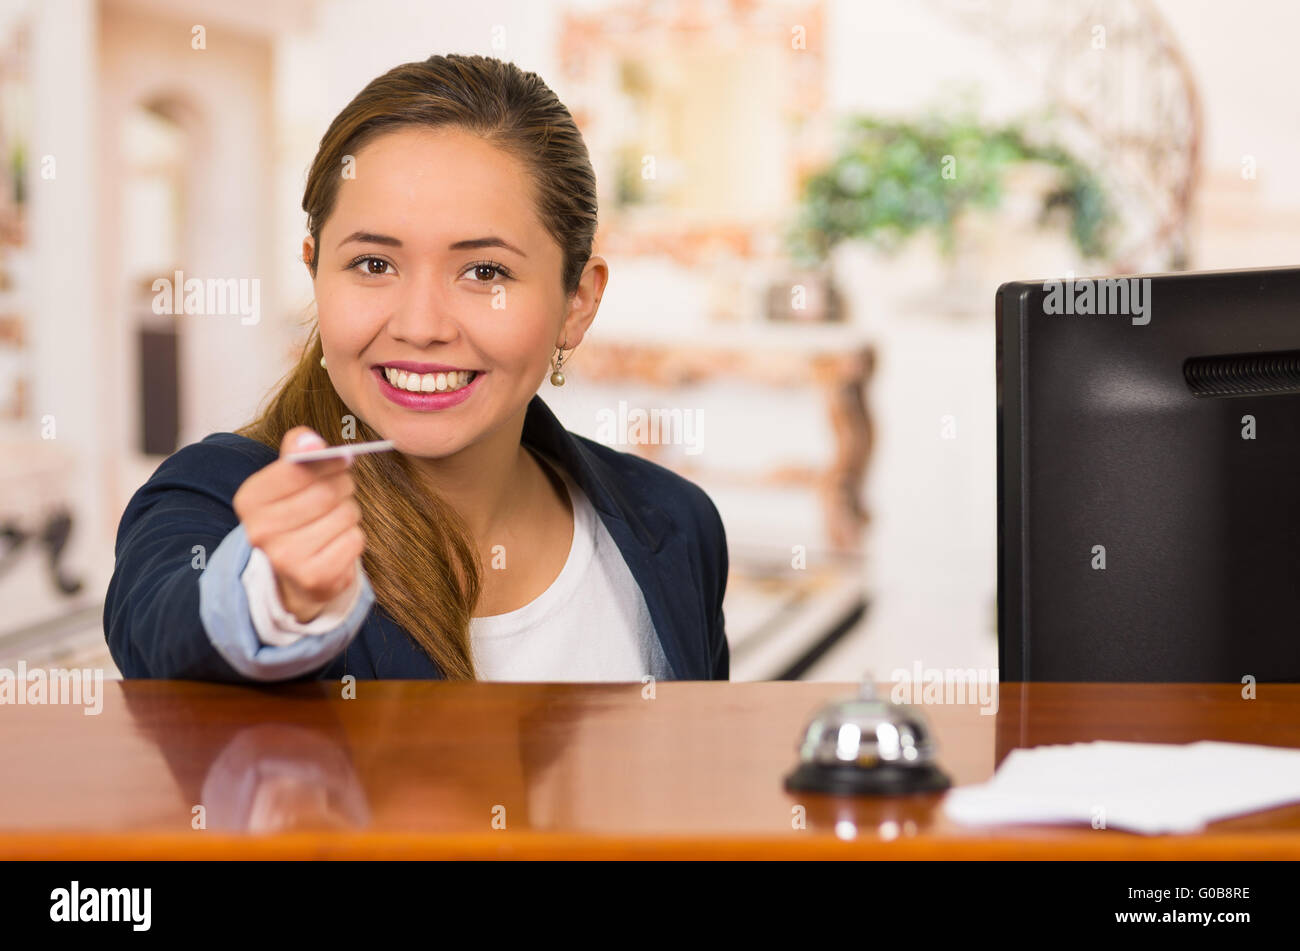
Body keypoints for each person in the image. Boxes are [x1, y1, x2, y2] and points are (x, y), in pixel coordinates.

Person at [104, 54, 729, 683]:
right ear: (315, 272)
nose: (421, 325)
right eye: (373, 264)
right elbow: (164, 627)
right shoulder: (212, 497)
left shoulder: (676, 522)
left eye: (486, 272)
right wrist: (273, 597)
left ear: (577, 302)